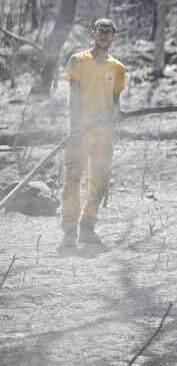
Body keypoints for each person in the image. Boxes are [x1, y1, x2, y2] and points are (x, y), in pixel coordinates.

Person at [59, 18, 125, 250]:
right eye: (101, 31)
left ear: (114, 37)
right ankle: (69, 231)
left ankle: (87, 226)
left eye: (109, 32)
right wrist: (76, 128)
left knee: (100, 180)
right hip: (80, 131)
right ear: (93, 34)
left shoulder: (117, 67)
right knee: (73, 179)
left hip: (104, 133)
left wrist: (118, 115)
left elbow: (115, 101)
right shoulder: (78, 60)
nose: (105, 35)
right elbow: (73, 97)